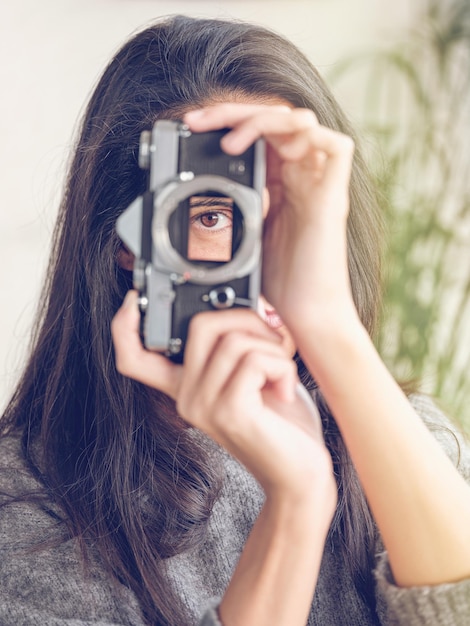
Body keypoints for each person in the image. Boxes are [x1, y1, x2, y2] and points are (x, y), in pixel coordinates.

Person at [1, 14, 469, 626]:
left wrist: (329, 324)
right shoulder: (30, 509)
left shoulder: (401, 440)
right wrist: (296, 504)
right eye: (216, 214)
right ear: (129, 239)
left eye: (290, 210)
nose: (267, 256)